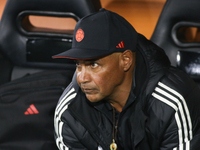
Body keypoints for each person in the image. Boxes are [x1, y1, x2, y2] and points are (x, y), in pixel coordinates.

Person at [53, 8, 200, 150]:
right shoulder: (69, 110)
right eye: (78, 65)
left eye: (93, 64)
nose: (82, 78)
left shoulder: (172, 105)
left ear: (126, 60)